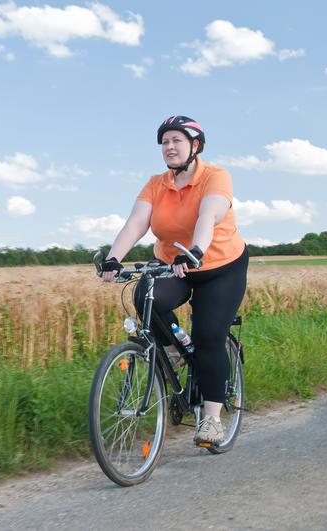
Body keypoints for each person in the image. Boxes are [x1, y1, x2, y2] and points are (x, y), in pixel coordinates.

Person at [101, 115, 248, 445]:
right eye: (164, 142)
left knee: (209, 335)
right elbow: (136, 223)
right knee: (145, 298)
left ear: (195, 146)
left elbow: (209, 214)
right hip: (172, 264)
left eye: (176, 141)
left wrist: (195, 249)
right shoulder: (156, 183)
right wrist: (114, 258)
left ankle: (211, 420)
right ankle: (175, 349)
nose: (168, 147)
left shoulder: (216, 177)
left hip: (219, 265)